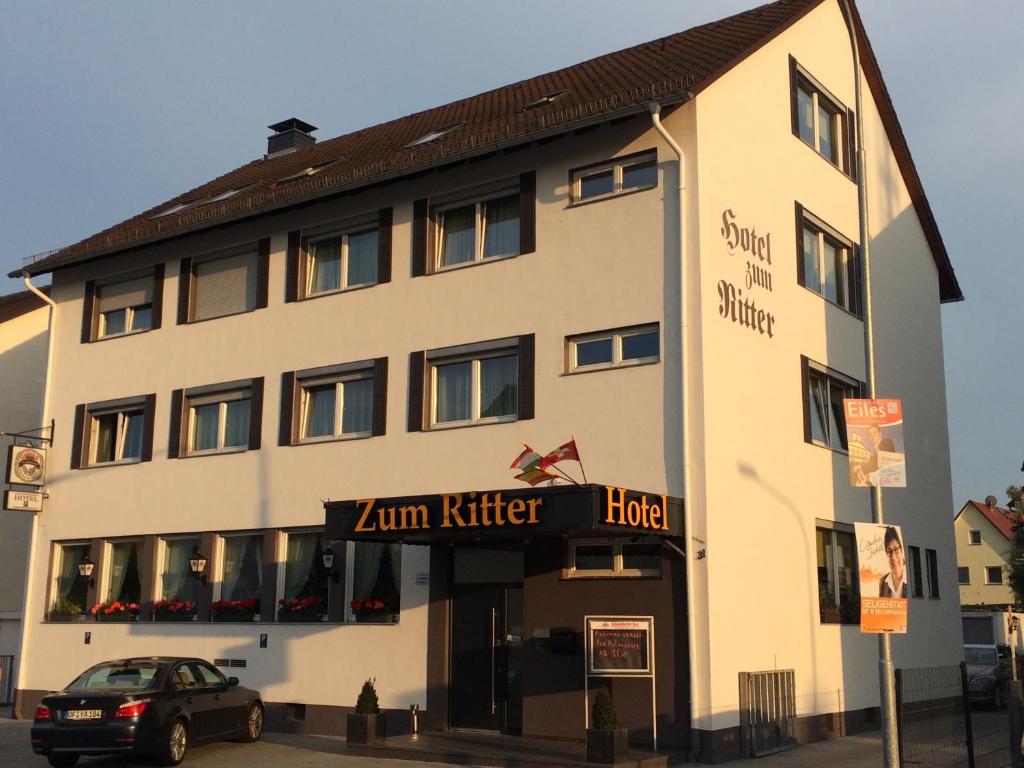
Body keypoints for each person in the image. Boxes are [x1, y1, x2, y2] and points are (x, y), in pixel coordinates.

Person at [879, 526, 907, 598]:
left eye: (896, 550)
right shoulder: (883, 582)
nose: (893, 557)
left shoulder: (909, 578)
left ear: (902, 552)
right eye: (889, 551)